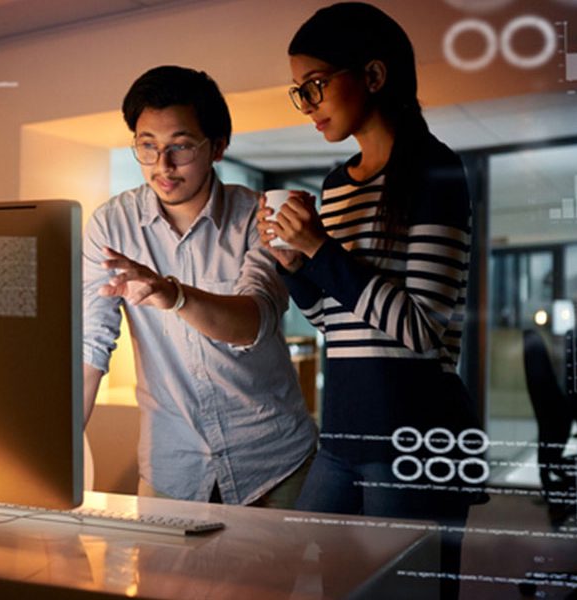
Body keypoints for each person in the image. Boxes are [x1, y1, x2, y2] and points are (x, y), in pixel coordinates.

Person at [257, 3, 481, 597]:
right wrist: (295, 266)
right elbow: (337, 320)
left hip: (414, 432)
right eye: (297, 91)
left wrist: (321, 249)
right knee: (314, 579)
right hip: (345, 432)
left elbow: (422, 329)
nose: (306, 104)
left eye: (316, 85)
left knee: (400, 593)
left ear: (374, 76)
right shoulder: (335, 185)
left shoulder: (436, 171)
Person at [83, 65, 316, 507]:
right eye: (146, 147)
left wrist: (174, 295)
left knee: (273, 580)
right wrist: (58, 456)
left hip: (273, 463)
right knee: (162, 579)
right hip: (173, 466)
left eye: (181, 147)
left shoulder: (256, 217)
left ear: (218, 147)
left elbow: (254, 321)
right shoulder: (111, 225)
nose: (162, 167)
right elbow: (90, 347)